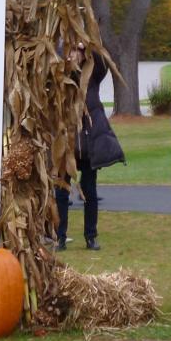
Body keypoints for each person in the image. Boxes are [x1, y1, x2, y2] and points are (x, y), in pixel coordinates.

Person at [55, 46, 124, 252]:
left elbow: (103, 62)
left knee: (90, 192)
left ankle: (91, 236)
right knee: (61, 193)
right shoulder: (59, 77)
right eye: (70, 51)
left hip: (88, 146)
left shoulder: (92, 76)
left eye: (77, 51)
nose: (74, 55)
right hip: (65, 146)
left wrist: (88, 46)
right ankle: (59, 237)